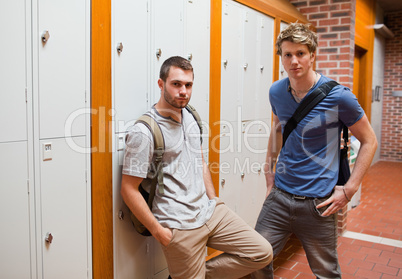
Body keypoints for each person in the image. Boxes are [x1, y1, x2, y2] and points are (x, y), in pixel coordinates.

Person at [121, 56, 273, 279]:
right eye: (176, 84)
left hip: (210, 211)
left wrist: (214, 199)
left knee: (261, 253)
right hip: (179, 225)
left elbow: (199, 160)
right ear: (161, 84)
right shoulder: (143, 132)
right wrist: (160, 232)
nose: (183, 91)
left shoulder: (190, 115)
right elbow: (128, 189)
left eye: (188, 85)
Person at [251, 23, 378, 278]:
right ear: (281, 58)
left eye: (300, 53)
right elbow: (277, 129)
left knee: (326, 272)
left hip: (319, 203)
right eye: (288, 54)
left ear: (312, 55)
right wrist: (269, 173)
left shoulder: (340, 97)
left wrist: (350, 189)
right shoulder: (276, 91)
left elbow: (369, 140)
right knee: (256, 258)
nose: (294, 61)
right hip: (280, 196)